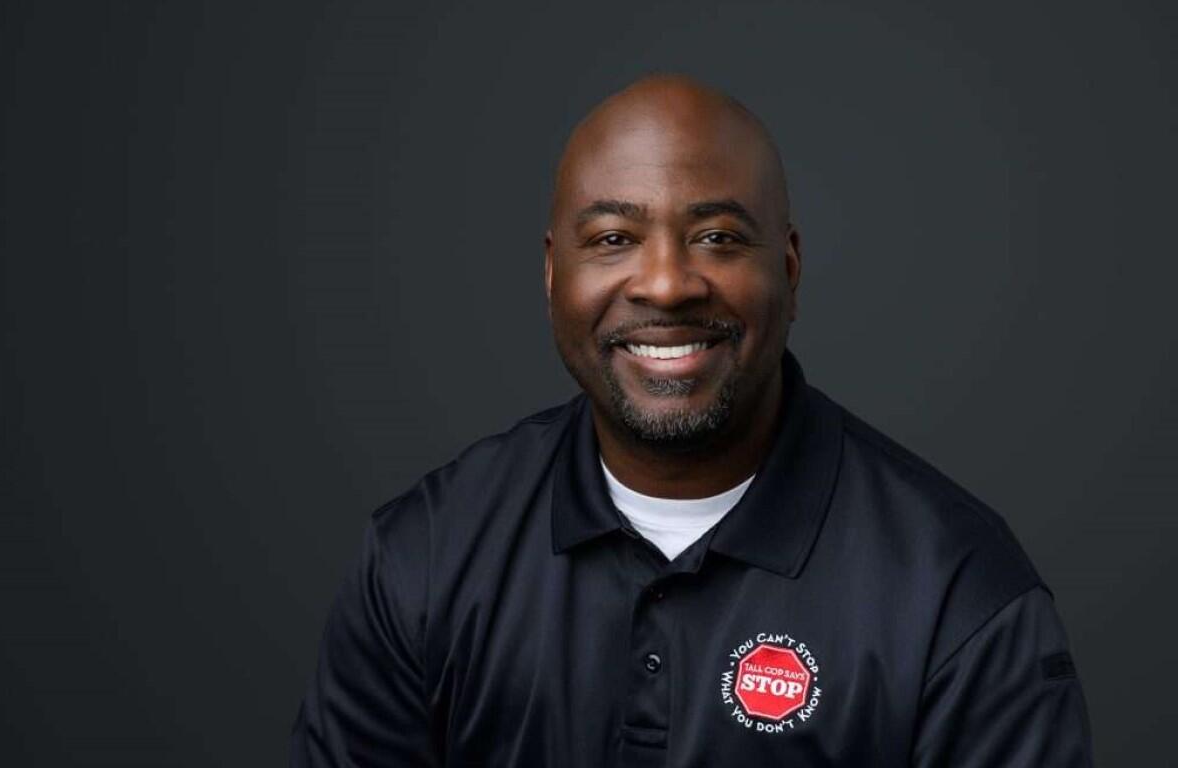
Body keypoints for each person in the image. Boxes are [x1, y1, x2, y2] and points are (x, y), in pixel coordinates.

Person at [291, 74, 1093, 767]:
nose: (668, 285)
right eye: (613, 238)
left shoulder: (958, 593)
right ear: (550, 273)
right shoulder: (425, 560)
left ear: (788, 267)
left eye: (716, 236)